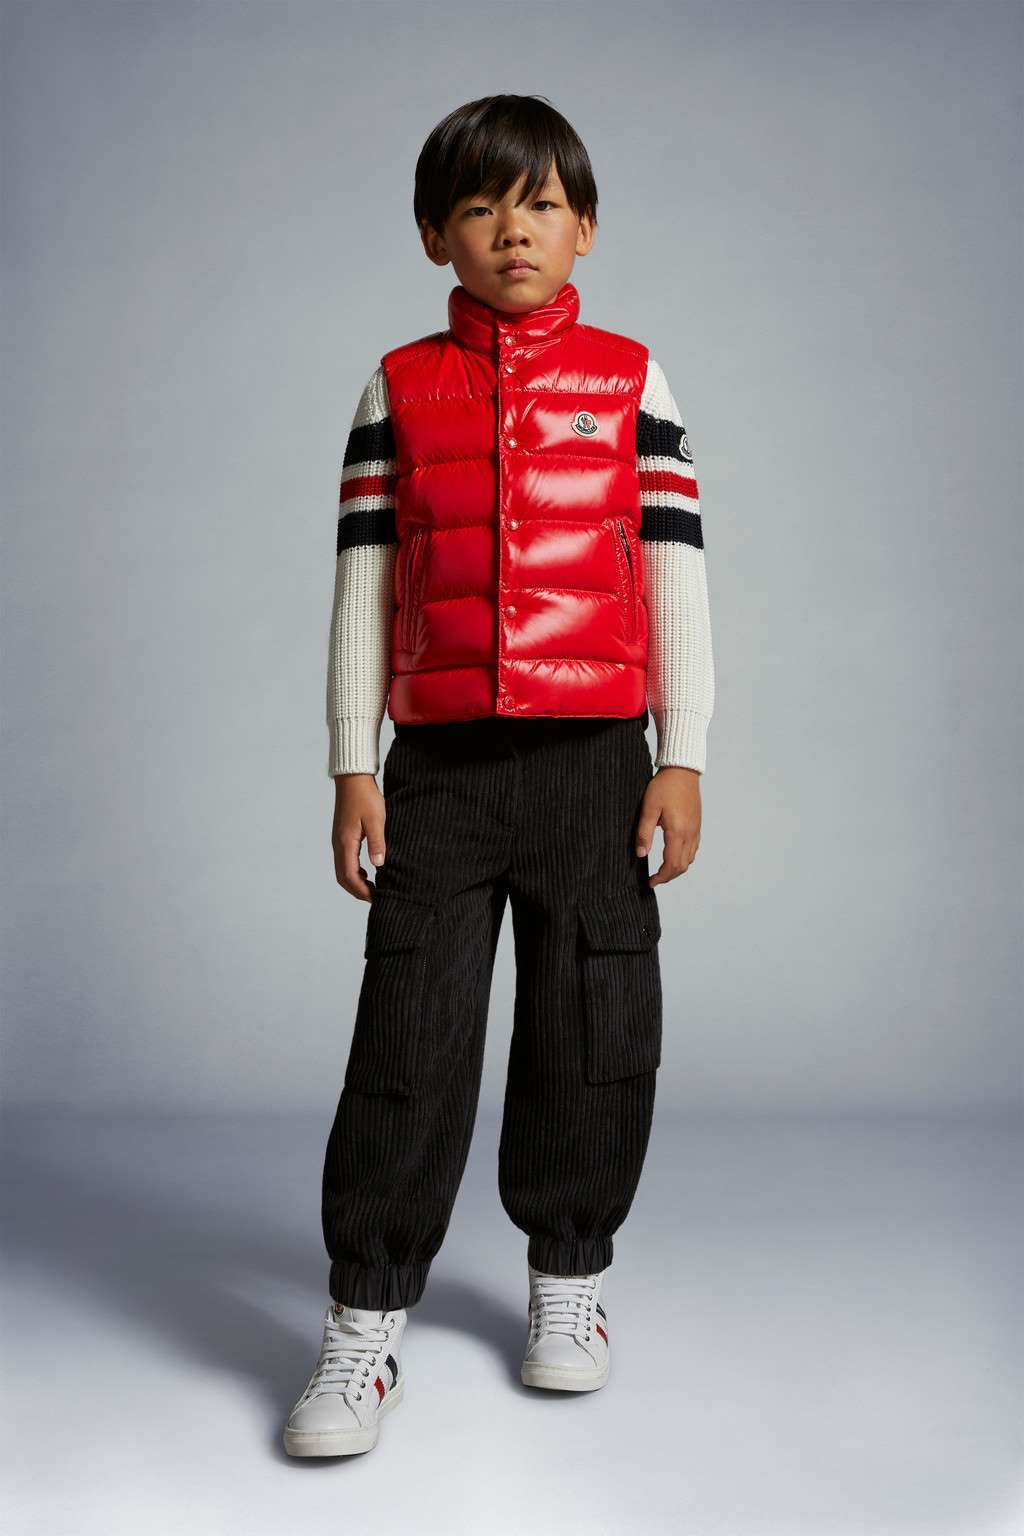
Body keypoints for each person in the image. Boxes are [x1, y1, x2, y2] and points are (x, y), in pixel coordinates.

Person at [283, 92, 715, 1458]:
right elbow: (363, 585)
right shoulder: (397, 388)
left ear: (586, 228)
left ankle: (569, 1280)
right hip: (442, 772)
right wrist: (353, 763)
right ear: (435, 237)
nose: (511, 231)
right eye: (478, 209)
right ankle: (363, 1322)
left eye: (540, 207)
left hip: (595, 763)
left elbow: (675, 578)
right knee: (408, 1034)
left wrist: (683, 752)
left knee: (591, 1024)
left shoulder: (633, 380)